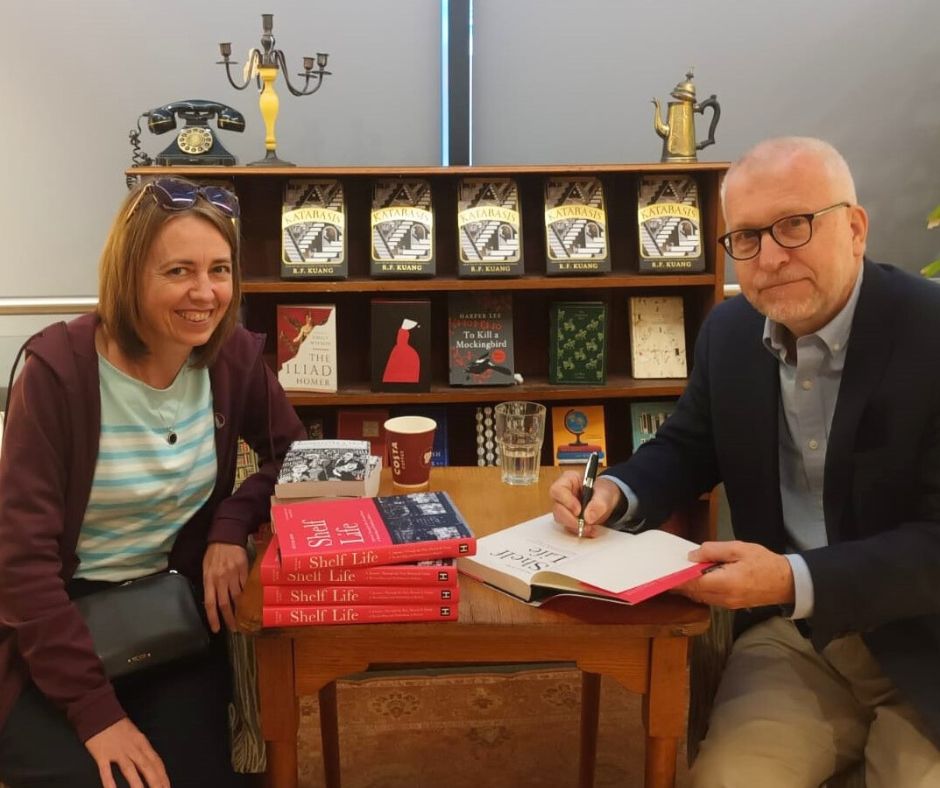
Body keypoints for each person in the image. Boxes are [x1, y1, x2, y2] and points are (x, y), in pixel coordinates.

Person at [550, 137, 940, 787]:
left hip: (926, 645)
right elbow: (686, 446)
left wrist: (790, 577)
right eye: (748, 238)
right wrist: (614, 491)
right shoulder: (731, 333)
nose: (772, 257)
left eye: (794, 226)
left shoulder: (931, 336)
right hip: (799, 643)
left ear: (855, 227)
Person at [0, 177, 306, 788]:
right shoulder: (56, 373)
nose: (205, 293)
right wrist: (95, 714)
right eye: (178, 271)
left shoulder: (232, 358)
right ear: (130, 274)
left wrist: (229, 524)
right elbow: (21, 564)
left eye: (219, 269)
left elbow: (297, 458)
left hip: (170, 614)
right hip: (58, 626)